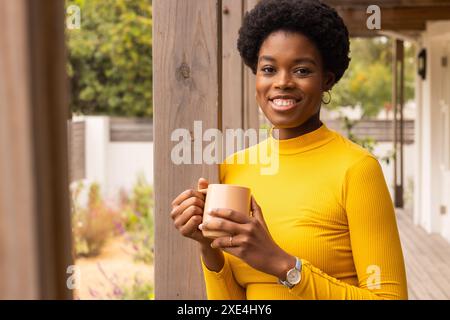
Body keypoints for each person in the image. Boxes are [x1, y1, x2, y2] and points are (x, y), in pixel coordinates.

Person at [170, 0, 408, 299]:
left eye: (301, 70)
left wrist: (281, 264)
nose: (282, 82)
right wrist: (208, 247)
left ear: (327, 80)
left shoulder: (357, 169)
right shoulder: (233, 168)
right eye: (269, 68)